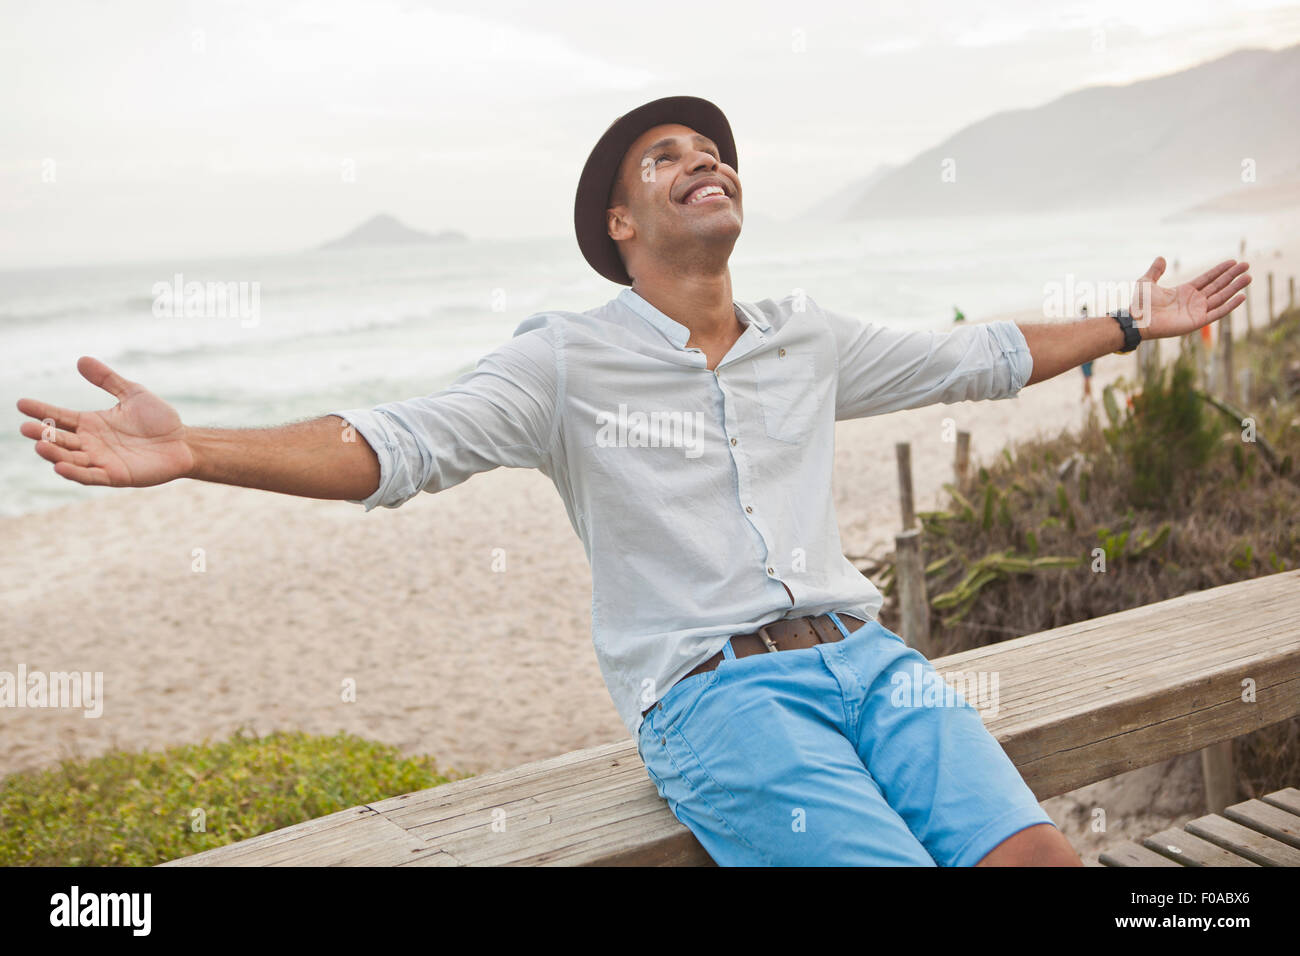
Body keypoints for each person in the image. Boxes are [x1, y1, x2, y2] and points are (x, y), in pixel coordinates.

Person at [17, 95, 1252, 867]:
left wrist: (1128, 325)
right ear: (620, 224)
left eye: (711, 151)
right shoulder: (563, 361)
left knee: (1041, 860)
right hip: (719, 698)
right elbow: (395, 443)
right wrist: (195, 448)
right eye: (666, 157)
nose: (702, 161)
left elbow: (975, 356)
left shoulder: (805, 335)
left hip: (877, 664)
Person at [1079, 305, 1094, 400]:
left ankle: (1086, 396)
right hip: (1089, 352)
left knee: (1086, 377)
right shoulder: (1089, 322)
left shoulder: (1080, 323)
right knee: (1087, 377)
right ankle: (1088, 396)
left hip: (1083, 353)